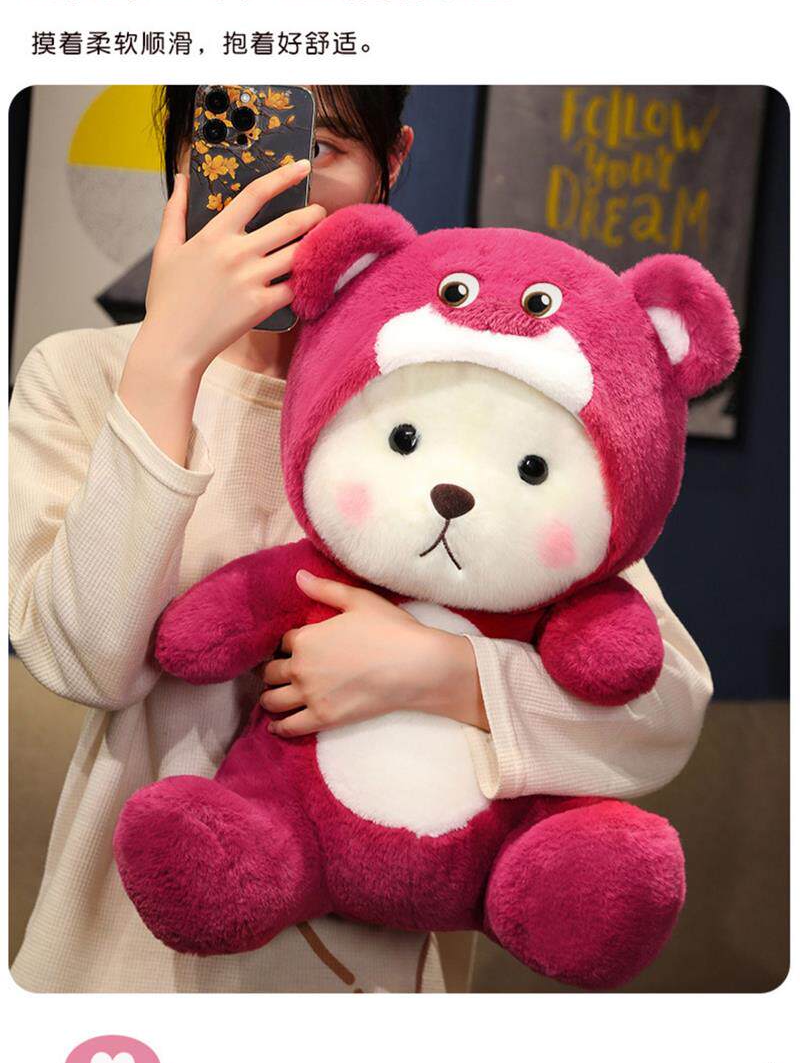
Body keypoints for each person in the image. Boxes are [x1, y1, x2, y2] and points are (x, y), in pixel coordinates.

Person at [8, 85, 713, 993]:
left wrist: (444, 674)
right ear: (176, 164)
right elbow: (87, 663)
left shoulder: (452, 379)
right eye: (226, 139)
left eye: (321, 147)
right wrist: (168, 361)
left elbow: (663, 713)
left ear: (394, 162)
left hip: (369, 985)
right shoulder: (82, 375)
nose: (277, 181)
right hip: (125, 965)